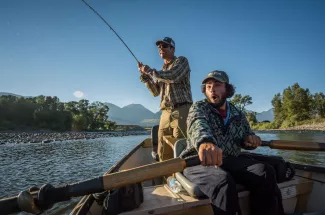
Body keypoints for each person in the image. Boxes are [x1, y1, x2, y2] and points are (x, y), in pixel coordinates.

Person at [179, 70, 284, 215]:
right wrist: (205, 142)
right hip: (198, 162)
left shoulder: (237, 113)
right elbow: (197, 124)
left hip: (229, 159)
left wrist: (250, 140)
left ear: (227, 89)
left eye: (217, 84)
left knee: (265, 172)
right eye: (208, 86)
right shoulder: (199, 107)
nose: (212, 89)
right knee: (223, 181)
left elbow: (247, 135)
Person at [138, 37, 193, 161]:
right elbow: (156, 92)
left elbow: (174, 75)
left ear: (173, 49)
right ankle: (167, 176)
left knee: (180, 148)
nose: (161, 49)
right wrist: (146, 77)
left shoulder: (182, 61)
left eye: (164, 46)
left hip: (182, 111)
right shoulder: (162, 70)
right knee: (162, 149)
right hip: (165, 113)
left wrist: (151, 71)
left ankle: (181, 176)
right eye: (159, 47)